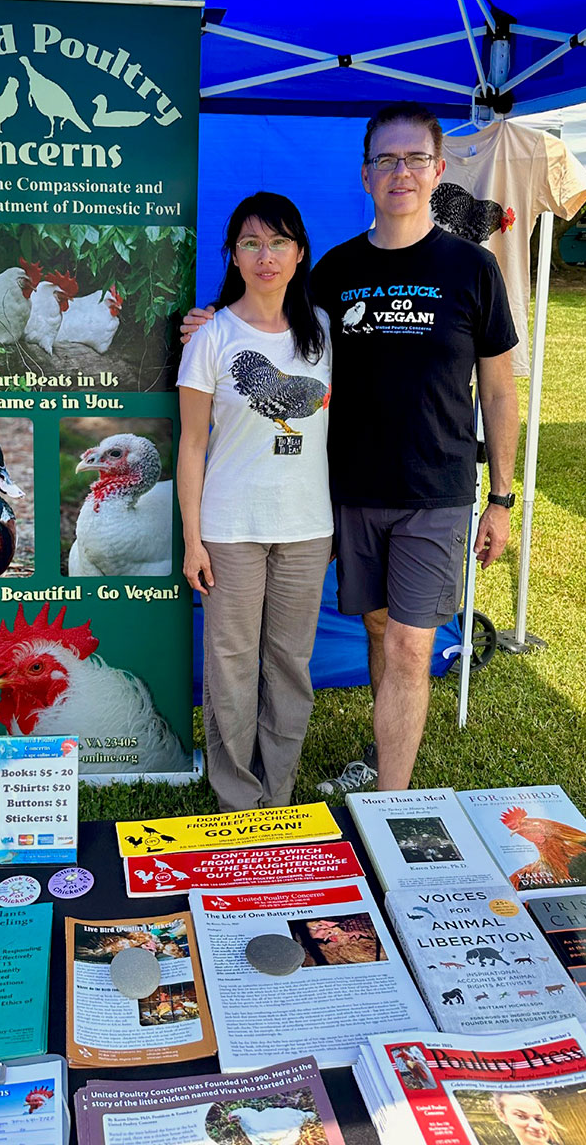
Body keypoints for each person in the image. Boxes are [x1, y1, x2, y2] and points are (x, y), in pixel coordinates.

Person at [182, 102, 520, 795]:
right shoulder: (336, 271)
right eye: (386, 160)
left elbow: (500, 393)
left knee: (407, 640)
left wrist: (504, 498)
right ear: (365, 175)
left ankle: (391, 804)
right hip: (352, 495)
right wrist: (210, 320)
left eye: (415, 159)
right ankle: (357, 759)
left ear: (439, 169)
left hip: (436, 490)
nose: (401, 172)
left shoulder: (472, 269)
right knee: (374, 627)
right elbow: (272, 320)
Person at [177, 192, 332, 812]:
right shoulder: (211, 337)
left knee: (290, 663)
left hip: (305, 527)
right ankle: (238, 799)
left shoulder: (322, 331)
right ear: (233, 256)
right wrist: (193, 538)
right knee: (232, 665)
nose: (265, 256)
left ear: (299, 254)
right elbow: (192, 445)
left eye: (278, 243)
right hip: (230, 528)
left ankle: (281, 792)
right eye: (250, 243)